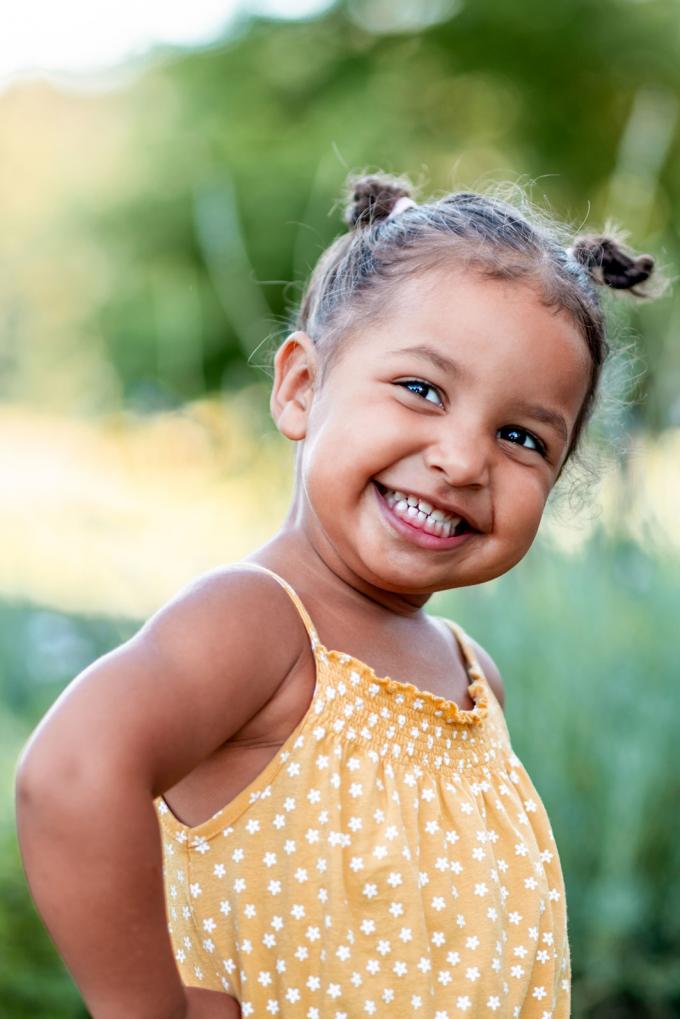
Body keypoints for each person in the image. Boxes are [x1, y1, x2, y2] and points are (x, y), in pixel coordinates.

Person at [15, 172, 658, 1019]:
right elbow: (70, 773)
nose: (463, 461)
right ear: (301, 387)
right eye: (422, 390)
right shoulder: (259, 622)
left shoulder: (474, 681)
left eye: (520, 436)